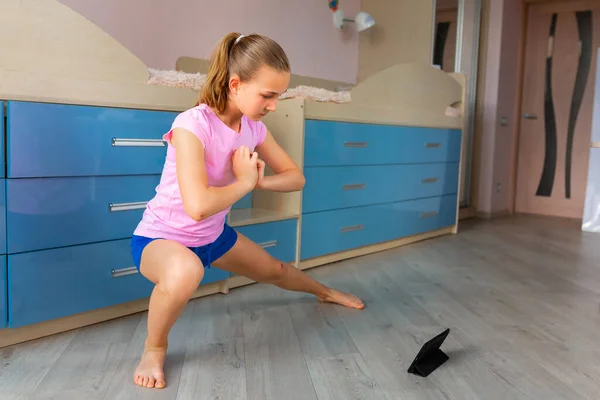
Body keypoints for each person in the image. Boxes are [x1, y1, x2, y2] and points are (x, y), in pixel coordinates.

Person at [130, 32, 364, 389]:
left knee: (276, 269)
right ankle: (154, 348)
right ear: (235, 84)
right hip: (161, 238)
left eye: (279, 96)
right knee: (185, 271)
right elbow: (196, 207)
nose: (273, 105)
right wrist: (243, 182)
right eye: (267, 95)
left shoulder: (253, 128)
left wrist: (258, 182)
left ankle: (324, 291)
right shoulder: (192, 124)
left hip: (213, 237)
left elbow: (295, 178)